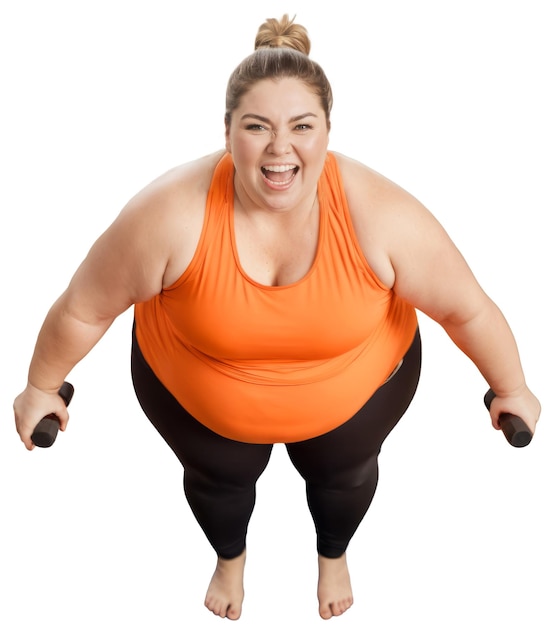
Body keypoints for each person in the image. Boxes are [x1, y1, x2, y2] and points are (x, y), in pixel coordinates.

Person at [14, 14, 540, 621]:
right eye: (257, 126)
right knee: (222, 478)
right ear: (229, 131)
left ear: (326, 133)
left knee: (343, 470)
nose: (279, 148)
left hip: (356, 386)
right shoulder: (167, 215)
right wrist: (40, 387)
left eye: (301, 127)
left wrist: (511, 387)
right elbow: (83, 308)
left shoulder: (381, 214)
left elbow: (465, 308)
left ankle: (333, 555)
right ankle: (230, 558)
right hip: (196, 388)